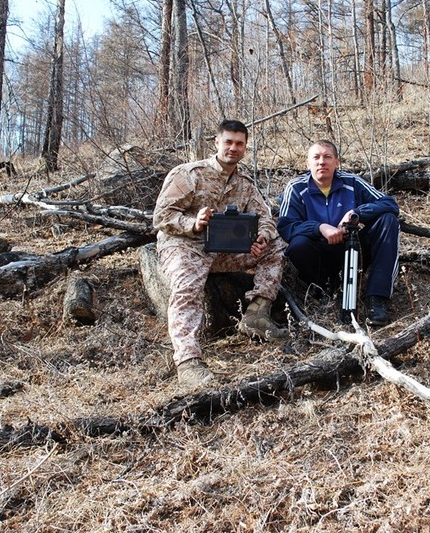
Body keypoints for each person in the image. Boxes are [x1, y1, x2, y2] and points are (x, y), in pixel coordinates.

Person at [153, 120, 288, 390]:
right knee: (188, 287)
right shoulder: (189, 174)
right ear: (217, 143)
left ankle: (256, 315)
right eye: (228, 142)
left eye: (239, 144)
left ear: (245, 147)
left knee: (276, 247)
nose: (233, 148)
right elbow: (161, 217)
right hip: (185, 246)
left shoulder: (245, 183)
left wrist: (261, 237)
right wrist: (194, 222)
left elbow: (266, 218)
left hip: (225, 250)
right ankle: (188, 361)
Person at [277, 140, 400, 326]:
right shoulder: (296, 187)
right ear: (307, 163)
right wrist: (320, 228)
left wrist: (356, 214)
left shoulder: (352, 182)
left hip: (353, 249)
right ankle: (318, 291)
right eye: (316, 157)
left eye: (327, 157)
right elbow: (286, 226)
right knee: (298, 244)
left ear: (337, 162)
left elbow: (390, 203)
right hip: (317, 253)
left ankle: (377, 298)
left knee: (388, 220)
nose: (321, 162)